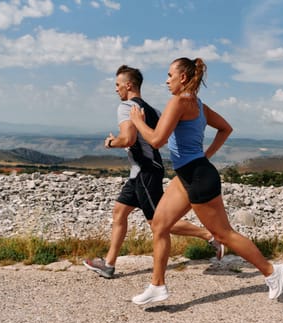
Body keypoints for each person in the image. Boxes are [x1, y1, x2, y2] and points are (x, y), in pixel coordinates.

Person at [129, 57, 283, 305]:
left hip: (199, 177)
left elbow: (157, 140)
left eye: (170, 75)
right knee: (159, 225)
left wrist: (137, 122)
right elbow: (226, 128)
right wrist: (205, 156)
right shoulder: (199, 105)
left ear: (182, 78)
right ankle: (157, 285)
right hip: (189, 174)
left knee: (223, 234)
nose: (166, 80)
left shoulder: (179, 101)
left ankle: (271, 271)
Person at [83, 65, 223, 279]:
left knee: (158, 223)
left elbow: (129, 138)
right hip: (141, 171)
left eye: (117, 85)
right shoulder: (153, 110)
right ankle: (109, 264)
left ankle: (209, 235)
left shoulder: (126, 107)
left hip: (146, 172)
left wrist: (111, 142)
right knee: (120, 212)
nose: (116, 89)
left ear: (129, 85)